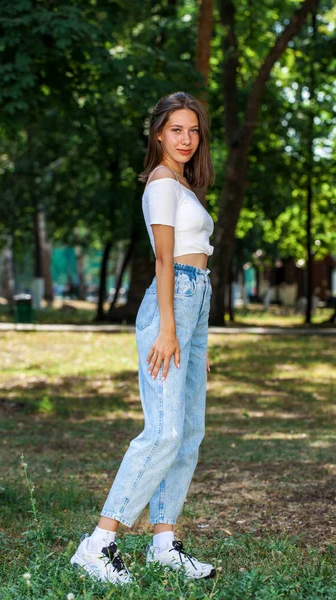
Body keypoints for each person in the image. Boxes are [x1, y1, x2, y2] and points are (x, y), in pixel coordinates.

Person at [70, 91, 216, 586]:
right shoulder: (160, 184)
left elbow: (196, 267)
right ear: (158, 134)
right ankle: (97, 545)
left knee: (189, 433)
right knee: (163, 432)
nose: (186, 139)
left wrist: (198, 339)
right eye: (176, 129)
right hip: (170, 306)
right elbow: (164, 261)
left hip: (193, 306)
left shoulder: (183, 186)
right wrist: (172, 329)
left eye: (194, 130)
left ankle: (164, 544)